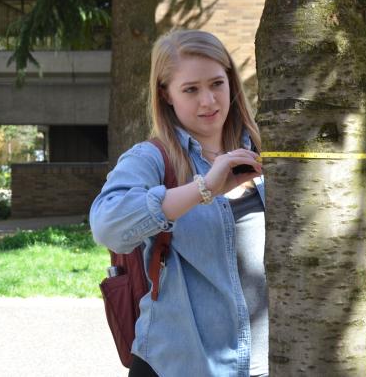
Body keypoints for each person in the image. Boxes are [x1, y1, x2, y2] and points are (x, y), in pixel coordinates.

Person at [91, 29, 268, 377]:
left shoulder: (267, 149)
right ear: (166, 94)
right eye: (191, 89)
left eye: (217, 83)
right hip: (182, 365)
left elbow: (361, 117)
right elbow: (107, 225)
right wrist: (203, 189)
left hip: (266, 364)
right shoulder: (151, 159)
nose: (209, 101)